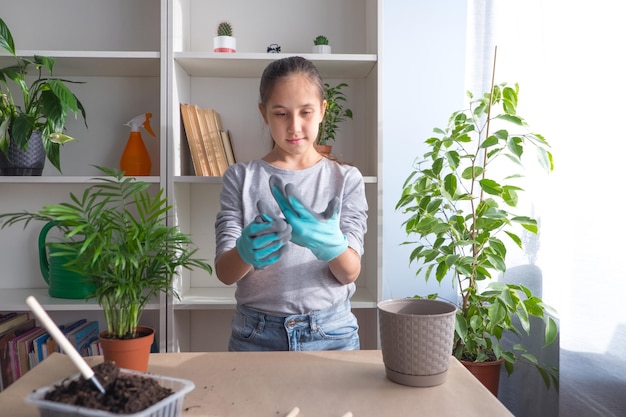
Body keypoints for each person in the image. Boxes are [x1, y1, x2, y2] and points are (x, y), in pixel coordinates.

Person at [214, 56, 368, 352]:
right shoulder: (240, 177)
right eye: (281, 113)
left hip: (331, 333)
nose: (294, 126)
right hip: (255, 336)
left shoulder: (346, 179)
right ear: (264, 113)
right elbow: (225, 273)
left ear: (323, 110)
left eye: (306, 112)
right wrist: (245, 251)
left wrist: (332, 246)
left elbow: (349, 272)